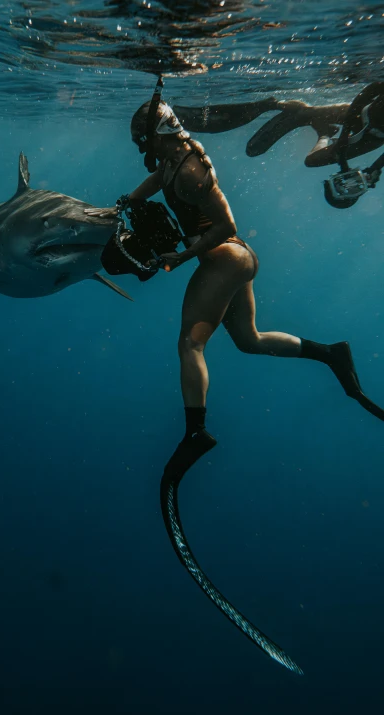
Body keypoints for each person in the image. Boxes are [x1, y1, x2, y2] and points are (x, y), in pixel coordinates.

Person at [84, 80, 384, 671]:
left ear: (156, 133)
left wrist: (176, 256)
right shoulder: (171, 161)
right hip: (237, 259)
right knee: (246, 341)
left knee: (188, 344)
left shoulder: (192, 168)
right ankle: (329, 353)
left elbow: (219, 227)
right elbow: (159, 184)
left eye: (143, 137)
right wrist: (128, 198)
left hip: (225, 256)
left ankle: (196, 432)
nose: (143, 145)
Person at [172, 81, 384, 208]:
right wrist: (349, 138)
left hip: (369, 125)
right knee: (311, 144)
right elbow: (372, 88)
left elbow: (372, 89)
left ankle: (306, 120)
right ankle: (298, 114)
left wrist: (370, 163)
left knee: (311, 149)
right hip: (367, 122)